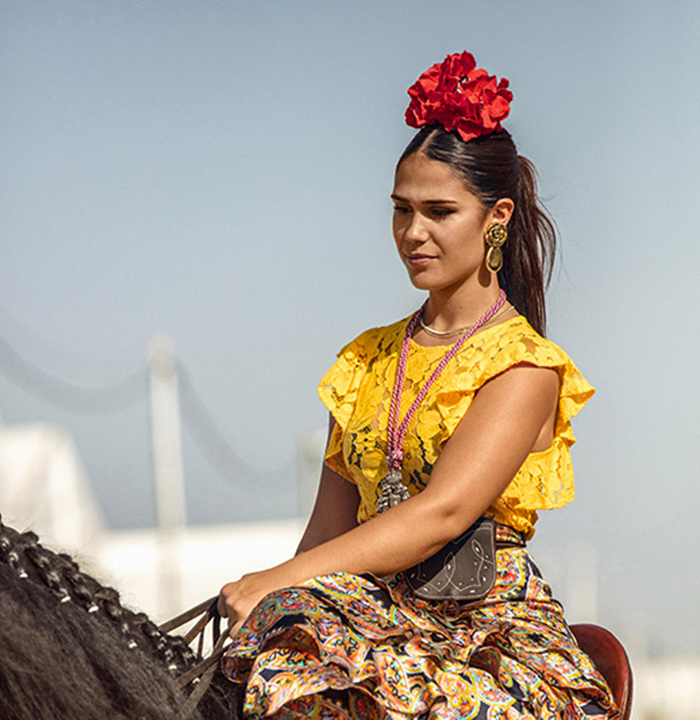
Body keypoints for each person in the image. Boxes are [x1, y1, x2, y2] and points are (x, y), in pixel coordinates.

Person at [217, 52, 618, 720]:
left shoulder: (523, 365)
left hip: (483, 638)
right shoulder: (366, 360)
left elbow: (444, 514)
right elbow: (324, 534)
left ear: (496, 218)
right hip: (370, 614)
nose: (412, 233)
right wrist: (264, 604)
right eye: (401, 210)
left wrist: (280, 581)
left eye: (438, 211)